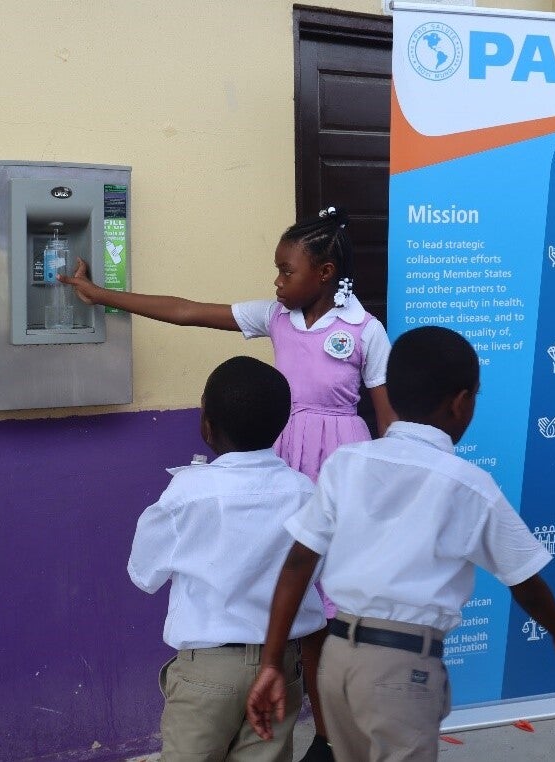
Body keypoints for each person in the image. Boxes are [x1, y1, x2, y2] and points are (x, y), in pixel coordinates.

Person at [63, 206, 393, 760]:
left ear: (326, 273)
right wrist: (101, 296)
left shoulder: (365, 330)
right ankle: (276, 697)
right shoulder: (276, 318)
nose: (277, 281)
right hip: (283, 464)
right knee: (295, 601)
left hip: (341, 474)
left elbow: (388, 418)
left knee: (335, 614)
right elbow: (187, 310)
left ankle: (333, 738)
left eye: (287, 271)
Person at [245, 326, 555, 762]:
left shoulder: (345, 463)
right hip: (402, 669)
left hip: (336, 661)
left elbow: (297, 565)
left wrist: (272, 661)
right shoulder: (469, 485)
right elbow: (524, 580)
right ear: (461, 403)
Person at [129, 356, 327, 761]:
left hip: (208, 672)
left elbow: (143, 572)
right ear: (282, 425)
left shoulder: (187, 493)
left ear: (207, 425)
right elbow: (317, 571)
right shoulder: (304, 491)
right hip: (282, 665)